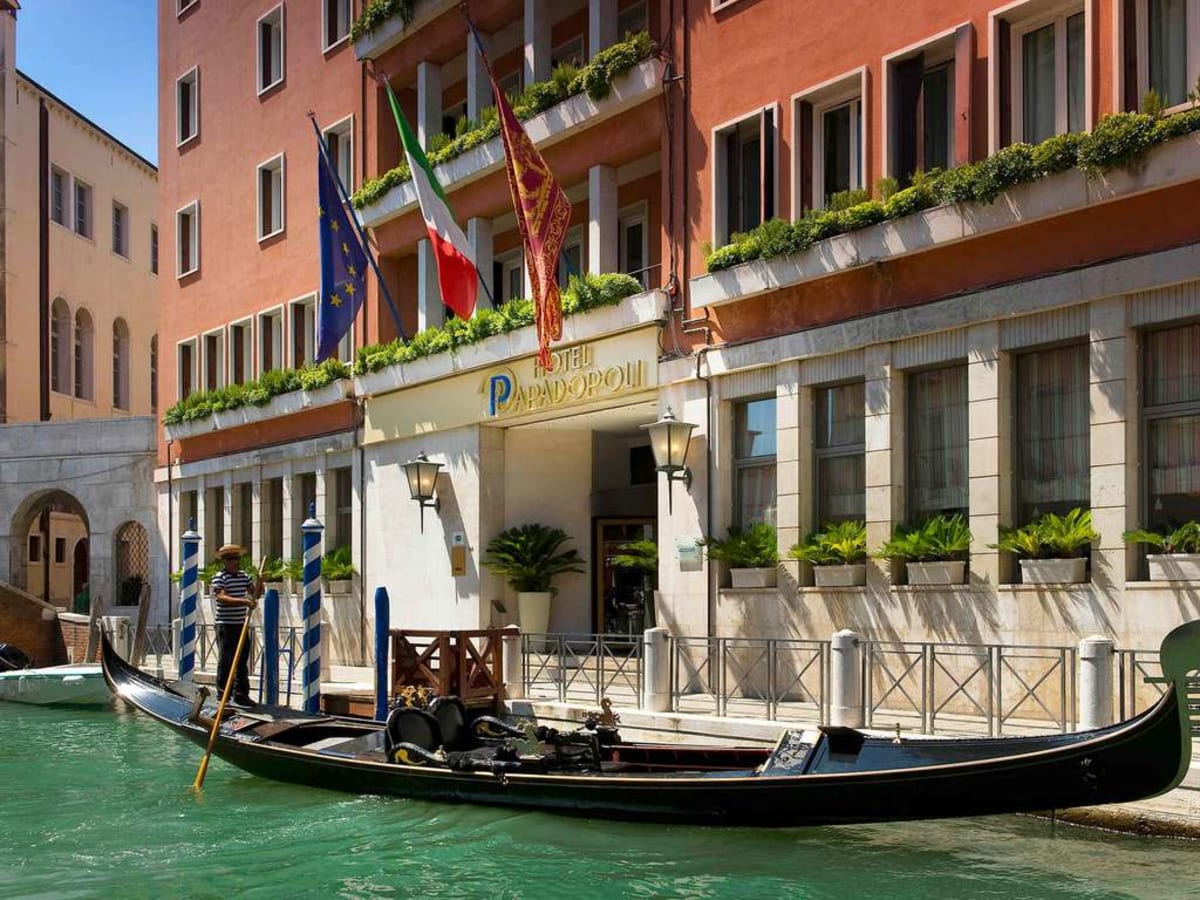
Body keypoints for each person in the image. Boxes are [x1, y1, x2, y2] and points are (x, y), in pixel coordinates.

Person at [210, 544, 262, 707]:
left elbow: (256, 594)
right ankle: (222, 695)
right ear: (225, 561)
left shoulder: (244, 576)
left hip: (241, 624)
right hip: (225, 625)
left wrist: (261, 582)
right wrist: (244, 601)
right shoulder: (220, 577)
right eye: (232, 559)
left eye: (237, 558)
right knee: (226, 660)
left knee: (242, 660)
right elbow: (221, 597)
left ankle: (241, 695)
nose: (236, 561)